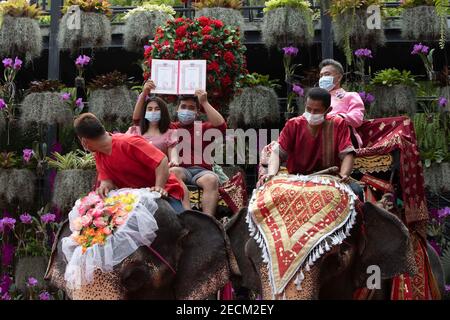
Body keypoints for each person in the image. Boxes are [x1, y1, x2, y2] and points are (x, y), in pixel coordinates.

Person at [260, 88, 363, 199]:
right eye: (308, 109)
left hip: (329, 178)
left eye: (317, 111)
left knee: (357, 191)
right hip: (297, 179)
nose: (311, 114)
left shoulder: (338, 123)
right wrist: (272, 174)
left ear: (328, 110)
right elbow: (277, 153)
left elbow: (347, 153)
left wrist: (343, 175)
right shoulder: (293, 124)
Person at [74, 112, 186, 213]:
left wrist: (159, 188)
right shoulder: (99, 154)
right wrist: (105, 186)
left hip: (167, 191)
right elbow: (106, 180)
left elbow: (162, 161)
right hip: (135, 200)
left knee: (180, 227)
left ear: (83, 141)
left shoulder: (128, 142)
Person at [129, 80, 190, 209]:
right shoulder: (134, 131)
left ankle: (187, 213)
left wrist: (174, 160)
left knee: (177, 184)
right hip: (136, 176)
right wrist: (144, 92)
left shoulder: (169, 133)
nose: (153, 111)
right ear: (144, 112)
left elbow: (173, 152)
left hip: (160, 177)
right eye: (149, 109)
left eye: (157, 109)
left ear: (163, 112)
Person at [170, 92, 227, 217]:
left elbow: (221, 125)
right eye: (183, 107)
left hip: (202, 171)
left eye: (191, 108)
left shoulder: (204, 127)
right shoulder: (170, 127)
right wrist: (144, 95)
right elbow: (139, 122)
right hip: (181, 169)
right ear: (177, 109)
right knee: (173, 173)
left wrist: (204, 102)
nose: (187, 111)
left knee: (211, 180)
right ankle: (188, 216)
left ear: (197, 112)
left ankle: (208, 221)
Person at [318, 59, 365, 148]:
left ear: (339, 77)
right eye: (321, 76)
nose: (323, 78)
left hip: (345, 140)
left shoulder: (350, 96)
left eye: (327, 74)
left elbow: (357, 119)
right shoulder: (316, 99)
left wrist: (334, 118)